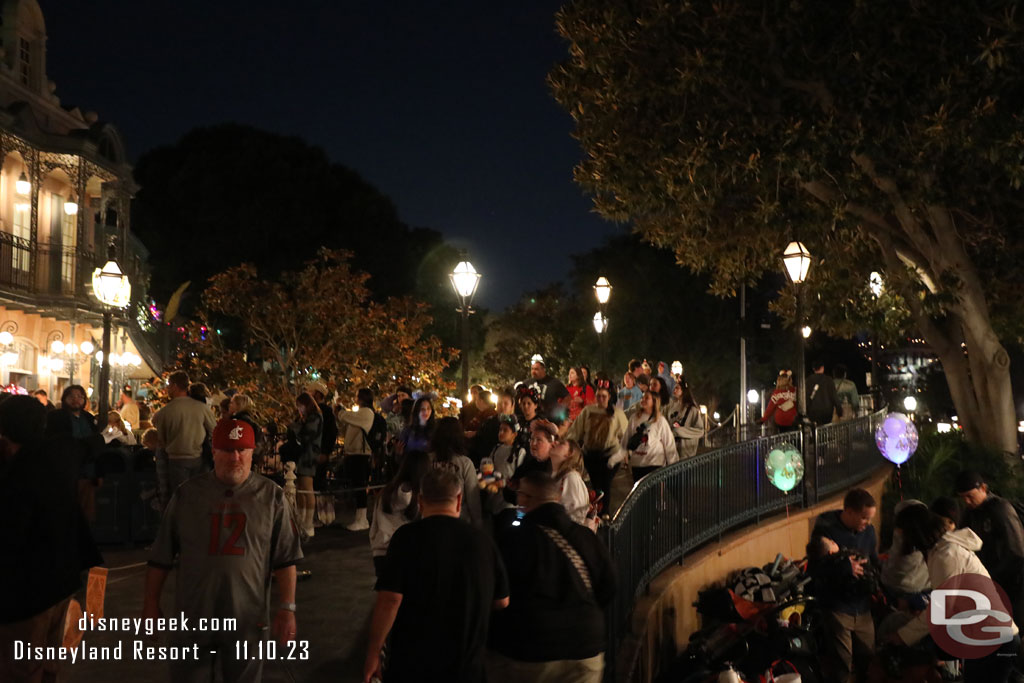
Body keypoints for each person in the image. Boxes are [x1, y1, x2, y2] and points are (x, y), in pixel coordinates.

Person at [144, 419, 302, 683]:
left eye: (242, 449)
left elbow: (285, 559)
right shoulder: (188, 495)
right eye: (228, 450)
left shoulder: (271, 497)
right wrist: (151, 605)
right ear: (214, 452)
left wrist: (287, 608)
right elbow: (160, 557)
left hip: (247, 617)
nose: (236, 457)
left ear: (253, 452)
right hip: (193, 616)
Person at [363, 468, 509, 683]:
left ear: (420, 501)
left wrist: (374, 652)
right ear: (459, 500)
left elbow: (390, 600)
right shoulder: (482, 541)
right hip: (466, 667)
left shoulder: (406, 538)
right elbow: (502, 601)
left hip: (413, 665)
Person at [0, 396, 103, 683]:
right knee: (49, 662)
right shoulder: (59, 455)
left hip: (27, 592)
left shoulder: (16, 474)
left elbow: (11, 536)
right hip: (63, 579)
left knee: (20, 668)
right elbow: (93, 445)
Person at [488, 471, 616, 683]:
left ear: (524, 499)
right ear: (557, 498)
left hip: (528, 649)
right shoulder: (584, 536)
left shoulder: (512, 540)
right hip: (585, 647)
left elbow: (498, 594)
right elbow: (609, 585)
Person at [888, 504, 1020, 682]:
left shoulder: (947, 555)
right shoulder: (942, 551)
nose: (901, 539)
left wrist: (903, 636)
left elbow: (941, 608)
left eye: (902, 534)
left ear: (914, 532)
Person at [809, 488, 880, 683]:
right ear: (848, 512)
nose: (868, 523)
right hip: (837, 607)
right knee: (842, 663)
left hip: (862, 606)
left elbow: (873, 560)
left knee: (868, 658)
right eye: (864, 518)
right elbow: (815, 569)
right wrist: (845, 567)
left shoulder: (869, 532)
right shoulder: (826, 530)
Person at [955, 470, 1024, 627]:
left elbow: (1016, 550)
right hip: (989, 580)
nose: (967, 501)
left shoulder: (1000, 509)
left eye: (970, 496)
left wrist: (990, 576)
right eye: (963, 497)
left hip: (1013, 581)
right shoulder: (970, 513)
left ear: (983, 489)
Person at [152, 371, 216, 504]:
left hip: (176, 459)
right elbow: (214, 431)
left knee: (180, 497)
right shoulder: (201, 408)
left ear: (175, 386)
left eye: (169, 385)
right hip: (197, 457)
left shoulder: (165, 412)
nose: (167, 389)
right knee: (197, 495)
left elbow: (162, 439)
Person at [369, 450, 432, 581]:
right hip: (409, 554)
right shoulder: (422, 498)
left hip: (381, 553)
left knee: (389, 596)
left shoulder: (385, 493)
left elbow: (374, 526)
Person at [45, 384, 101, 520]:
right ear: (65, 398)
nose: (76, 399)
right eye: (72, 396)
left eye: (80, 396)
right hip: (66, 469)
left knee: (86, 511)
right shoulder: (56, 417)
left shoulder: (88, 418)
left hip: (87, 470)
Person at [567, 376, 627, 501]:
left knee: (605, 485)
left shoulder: (617, 413)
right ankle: (596, 513)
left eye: (603, 396)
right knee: (595, 485)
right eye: (598, 396)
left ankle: (605, 512)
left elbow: (626, 434)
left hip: (609, 455)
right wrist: (568, 444)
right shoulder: (588, 411)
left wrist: (625, 453)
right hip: (590, 455)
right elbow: (576, 430)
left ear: (609, 397)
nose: (600, 399)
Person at [431, 416, 483, 529]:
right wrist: (478, 525)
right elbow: (473, 499)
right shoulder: (465, 463)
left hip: (431, 520)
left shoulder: (428, 460)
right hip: (459, 522)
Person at [337, 388, 376, 532]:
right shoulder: (363, 413)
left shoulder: (366, 413)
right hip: (356, 453)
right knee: (357, 485)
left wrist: (340, 411)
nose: (355, 398)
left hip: (361, 454)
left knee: (360, 486)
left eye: (356, 396)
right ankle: (359, 518)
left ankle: (362, 519)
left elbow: (346, 417)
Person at [620, 389, 677, 482]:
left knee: (654, 494)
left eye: (647, 398)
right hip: (637, 464)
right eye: (642, 397)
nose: (643, 400)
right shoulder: (634, 418)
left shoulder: (660, 420)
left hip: (654, 464)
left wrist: (673, 464)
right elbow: (627, 437)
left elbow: (669, 443)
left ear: (654, 401)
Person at [550, 439, 590, 525]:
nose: (556, 442)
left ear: (569, 454)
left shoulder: (571, 478)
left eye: (561, 443)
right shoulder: (554, 476)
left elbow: (577, 515)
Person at [522, 359, 569, 424]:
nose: (533, 372)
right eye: (532, 369)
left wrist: (560, 409)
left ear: (543, 369)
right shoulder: (526, 383)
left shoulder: (554, 383)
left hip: (549, 421)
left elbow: (568, 397)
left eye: (536, 369)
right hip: (530, 421)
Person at [665, 381, 704, 459]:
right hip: (673, 449)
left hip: (686, 451)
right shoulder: (672, 407)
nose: (674, 390)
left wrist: (680, 431)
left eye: (677, 388)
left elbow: (700, 431)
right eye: (674, 387)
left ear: (683, 391)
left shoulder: (692, 410)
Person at [307, 381, 338, 460]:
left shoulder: (326, 411)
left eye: (311, 391)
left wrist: (325, 452)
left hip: (319, 453)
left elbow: (330, 432)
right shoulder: (310, 409)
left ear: (317, 394)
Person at [804, 361, 842, 426]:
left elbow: (806, 397)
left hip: (813, 412)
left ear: (813, 369)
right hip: (827, 412)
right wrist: (839, 411)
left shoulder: (808, 381)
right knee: (825, 429)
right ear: (822, 368)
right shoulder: (829, 380)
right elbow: (834, 396)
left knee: (815, 429)